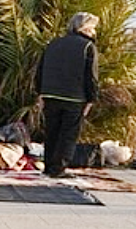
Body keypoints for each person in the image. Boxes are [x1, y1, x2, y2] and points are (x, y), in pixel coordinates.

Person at [35, 12, 100, 178]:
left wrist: (40, 92)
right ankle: (59, 169)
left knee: (52, 132)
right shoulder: (88, 47)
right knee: (68, 135)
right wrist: (91, 99)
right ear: (84, 28)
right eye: (92, 27)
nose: (94, 31)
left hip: (50, 94)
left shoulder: (54, 43)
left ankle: (49, 166)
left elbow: (41, 69)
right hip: (75, 97)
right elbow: (91, 76)